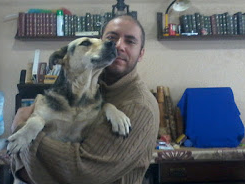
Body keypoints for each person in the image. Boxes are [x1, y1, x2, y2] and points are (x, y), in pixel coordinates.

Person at [11, 15, 159, 184]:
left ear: (141, 54)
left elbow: (83, 173)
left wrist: (22, 128)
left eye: (130, 41)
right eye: (111, 39)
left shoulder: (138, 106)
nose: (118, 46)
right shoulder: (97, 87)